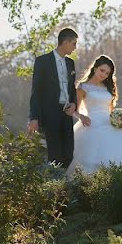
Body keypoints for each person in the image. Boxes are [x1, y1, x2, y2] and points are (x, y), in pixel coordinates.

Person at [66, 55, 122, 178]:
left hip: (110, 124)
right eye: (102, 70)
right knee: (93, 156)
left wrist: (118, 118)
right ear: (95, 68)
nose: (104, 74)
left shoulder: (107, 87)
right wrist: (82, 117)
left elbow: (110, 109)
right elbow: (74, 110)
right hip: (91, 125)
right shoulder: (83, 87)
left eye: (107, 73)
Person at [28, 28, 80, 168]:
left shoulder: (70, 63)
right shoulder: (42, 61)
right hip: (50, 114)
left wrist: (74, 104)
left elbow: (72, 89)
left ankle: (63, 184)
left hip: (67, 114)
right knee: (55, 156)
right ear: (65, 42)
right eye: (74, 43)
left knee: (69, 153)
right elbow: (36, 91)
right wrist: (34, 118)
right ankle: (55, 186)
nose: (75, 47)